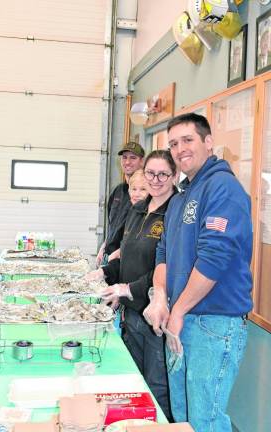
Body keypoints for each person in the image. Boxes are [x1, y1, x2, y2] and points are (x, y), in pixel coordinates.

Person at [143, 113, 253, 432]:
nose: (180, 149)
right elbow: (163, 252)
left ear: (208, 142)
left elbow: (215, 256)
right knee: (183, 416)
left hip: (213, 323)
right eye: (174, 143)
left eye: (187, 140)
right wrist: (160, 298)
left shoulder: (222, 187)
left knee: (205, 420)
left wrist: (178, 309)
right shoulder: (180, 198)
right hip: (181, 319)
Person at [87, 150, 178, 421]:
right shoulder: (137, 211)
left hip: (156, 318)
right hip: (131, 314)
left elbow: (167, 268)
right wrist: (105, 273)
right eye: (151, 173)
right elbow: (126, 257)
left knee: (157, 387)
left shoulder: (174, 213)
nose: (156, 179)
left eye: (163, 174)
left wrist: (128, 289)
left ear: (174, 176)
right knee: (133, 384)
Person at [96, 141, 145, 267]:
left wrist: (117, 255)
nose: (127, 162)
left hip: (126, 260)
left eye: (133, 158)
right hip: (108, 256)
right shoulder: (118, 191)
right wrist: (103, 247)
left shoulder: (146, 195)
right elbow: (112, 225)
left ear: (142, 161)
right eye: (124, 157)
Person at [108, 168, 148, 262]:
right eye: (133, 189)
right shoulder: (132, 212)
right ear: (129, 191)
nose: (137, 194)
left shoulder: (150, 216)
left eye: (143, 189)